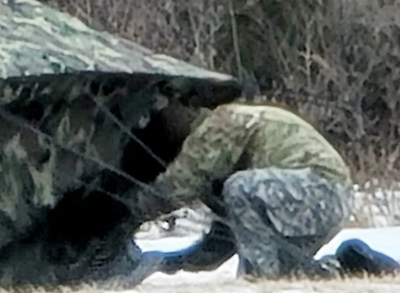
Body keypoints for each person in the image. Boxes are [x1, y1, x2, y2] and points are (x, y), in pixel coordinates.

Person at [134, 102, 358, 279]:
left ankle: (259, 278)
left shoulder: (218, 124)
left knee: (238, 187)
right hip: (327, 199)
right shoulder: (231, 146)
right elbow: (225, 239)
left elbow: (180, 183)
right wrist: (171, 262)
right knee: (287, 274)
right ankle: (350, 265)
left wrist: (129, 211)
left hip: (319, 188)